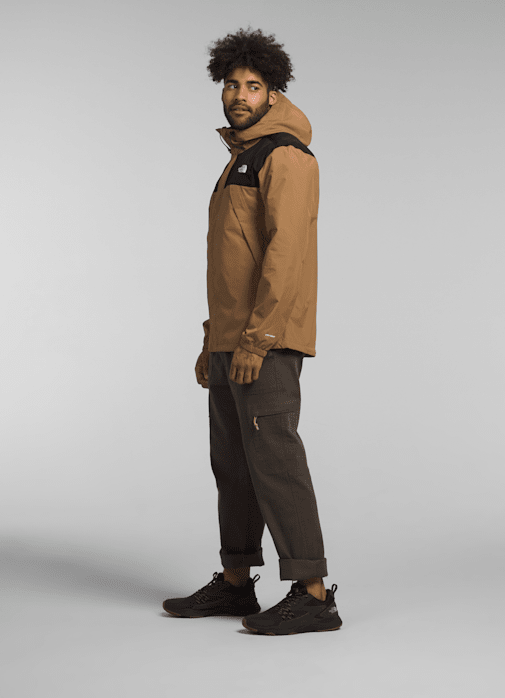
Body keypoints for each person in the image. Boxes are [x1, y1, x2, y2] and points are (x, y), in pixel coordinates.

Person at [163, 27, 342, 635]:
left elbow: (285, 256)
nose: (240, 95)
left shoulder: (285, 155)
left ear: (274, 93)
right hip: (231, 340)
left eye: (254, 86)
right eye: (232, 84)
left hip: (266, 341)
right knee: (233, 463)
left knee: (274, 458)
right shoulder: (240, 158)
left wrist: (257, 339)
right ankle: (236, 581)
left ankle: (313, 594)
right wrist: (213, 338)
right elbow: (231, 262)